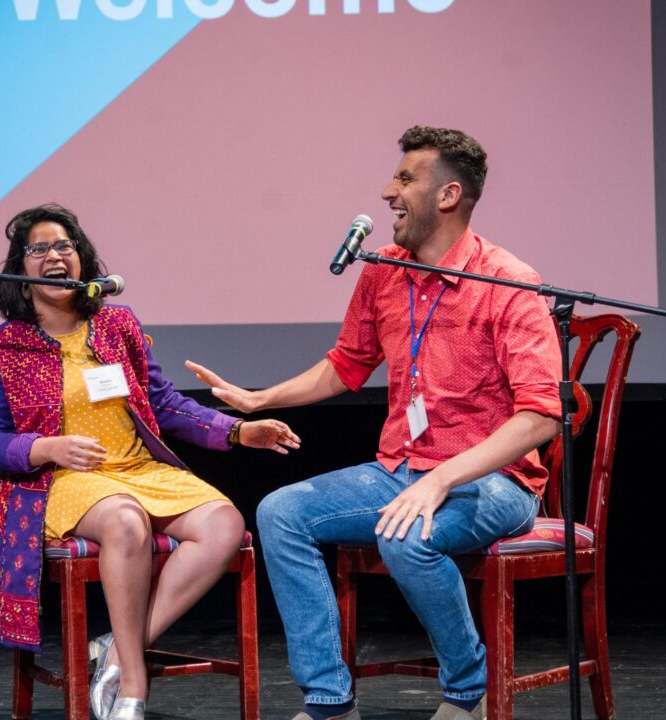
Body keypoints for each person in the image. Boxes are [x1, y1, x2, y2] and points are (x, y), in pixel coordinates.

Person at [186, 127, 563, 720]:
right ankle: (330, 700)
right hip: (401, 469)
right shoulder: (383, 270)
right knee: (281, 512)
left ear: (448, 196)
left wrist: (440, 481)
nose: (389, 191)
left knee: (405, 534)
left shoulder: (509, 281)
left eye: (406, 178)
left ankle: (470, 689)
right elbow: (344, 366)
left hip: (493, 481)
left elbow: (541, 415)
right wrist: (260, 401)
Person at [0, 203, 300, 720]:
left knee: (224, 524)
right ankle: (133, 687)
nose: (55, 256)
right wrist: (44, 447)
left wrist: (238, 431)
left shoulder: (117, 325)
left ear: (83, 261)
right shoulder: (2, 349)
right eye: (39, 249)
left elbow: (163, 404)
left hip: (135, 470)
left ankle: (119, 651)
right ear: (19, 269)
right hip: (60, 482)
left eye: (65, 246)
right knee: (125, 521)